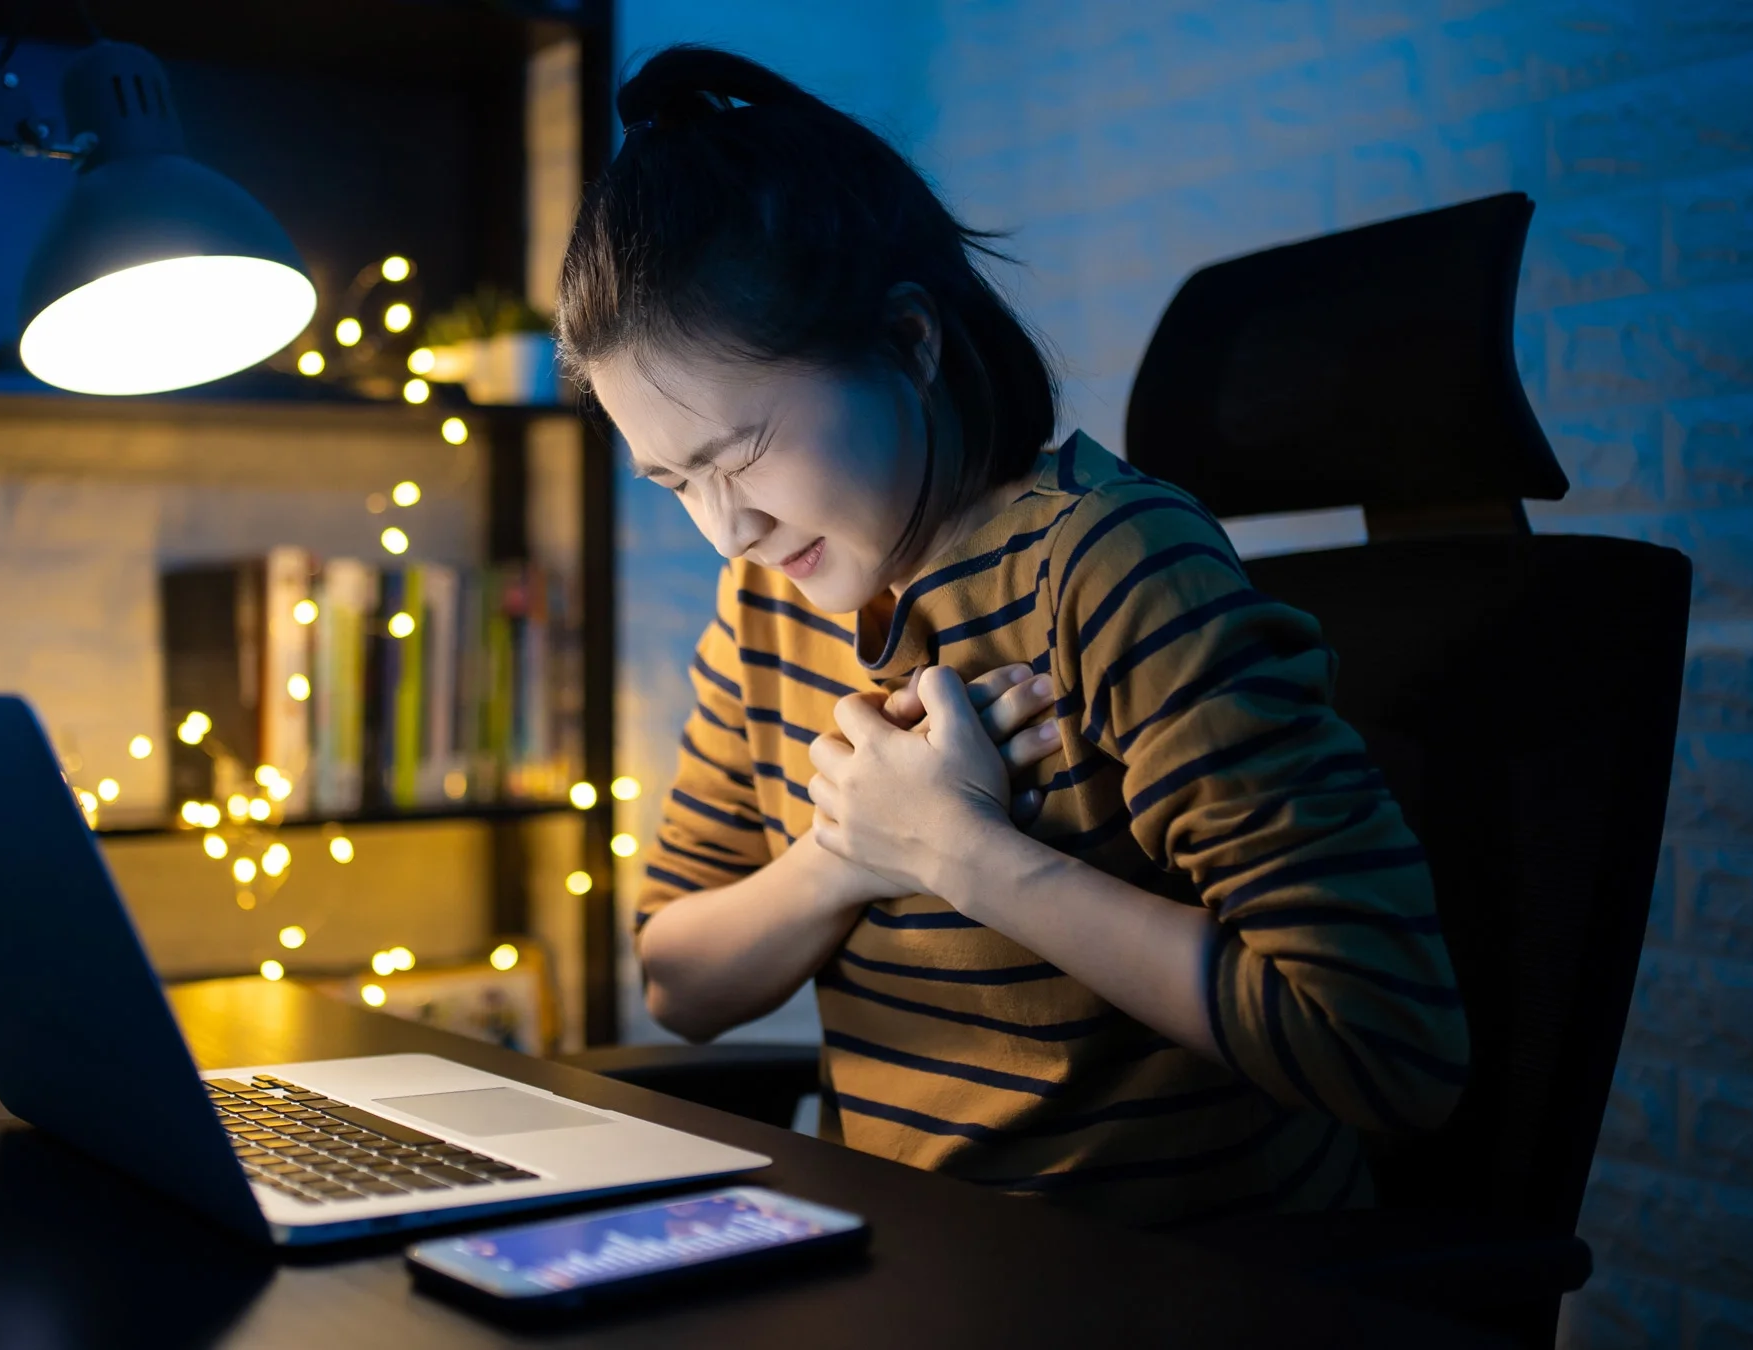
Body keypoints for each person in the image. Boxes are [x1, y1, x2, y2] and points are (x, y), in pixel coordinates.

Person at [554, 45, 1469, 1229]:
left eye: (741, 454)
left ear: (910, 343)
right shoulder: (769, 602)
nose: (730, 529)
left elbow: (1383, 1047)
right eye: (676, 480)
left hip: (1172, 1285)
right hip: (912, 1267)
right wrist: (851, 855)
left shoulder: (1108, 560)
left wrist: (966, 857)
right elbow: (679, 982)